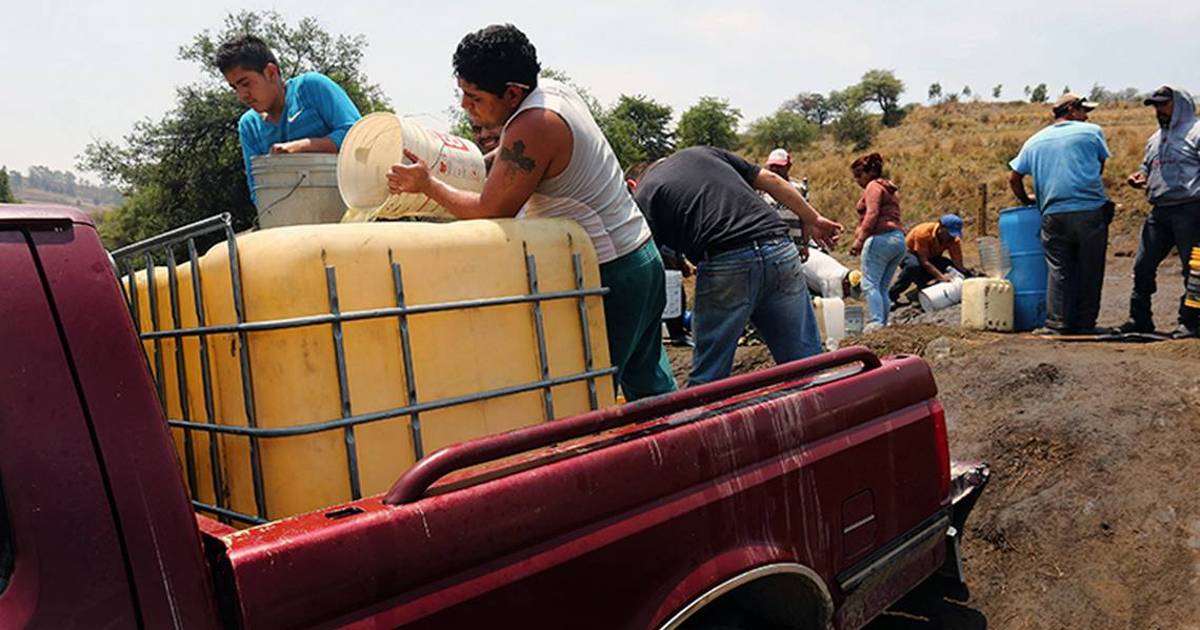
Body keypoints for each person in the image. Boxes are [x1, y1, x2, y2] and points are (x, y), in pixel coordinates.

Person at [385, 24, 675, 401]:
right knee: (650, 389)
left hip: (610, 274)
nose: (465, 106)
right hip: (640, 257)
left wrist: (428, 185)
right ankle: (687, 437)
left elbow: (490, 212)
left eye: (474, 97)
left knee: (585, 397)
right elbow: (513, 154)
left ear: (512, 93)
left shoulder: (536, 124)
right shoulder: (552, 93)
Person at [628, 147, 842, 386]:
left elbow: (645, 259)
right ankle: (821, 404)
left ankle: (704, 409)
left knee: (710, 372)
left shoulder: (646, 192)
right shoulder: (703, 153)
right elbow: (770, 180)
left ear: (631, 185)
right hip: (780, 248)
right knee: (805, 362)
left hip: (727, 261)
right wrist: (813, 218)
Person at [1008, 92, 1113, 335]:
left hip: (1053, 213)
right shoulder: (1092, 132)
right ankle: (1085, 323)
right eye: (1084, 111)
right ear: (1072, 110)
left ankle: (1057, 323)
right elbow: (1099, 166)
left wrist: (1027, 200)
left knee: (1059, 270)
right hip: (1089, 211)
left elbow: (1014, 178)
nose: (1087, 116)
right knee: (1090, 268)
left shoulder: (1034, 141)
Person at [215, 35, 362, 203]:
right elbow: (258, 190)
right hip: (292, 216)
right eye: (235, 88)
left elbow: (358, 138)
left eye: (245, 83)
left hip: (350, 208)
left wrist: (301, 148)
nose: (242, 95)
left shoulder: (311, 87)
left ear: (271, 72)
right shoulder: (249, 126)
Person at [1119, 85, 1200, 339]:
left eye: (1164, 104)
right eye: (1156, 105)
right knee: (1143, 265)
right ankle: (1140, 319)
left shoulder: (1197, 132)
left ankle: (1191, 322)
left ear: (1180, 104)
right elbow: (1147, 166)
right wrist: (1140, 176)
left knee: (1194, 270)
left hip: (1191, 210)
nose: (1158, 110)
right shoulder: (1155, 138)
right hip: (1160, 211)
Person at [848, 153, 905, 331]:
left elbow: (872, 214)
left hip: (881, 239)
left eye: (859, 175)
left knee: (869, 284)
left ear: (869, 173)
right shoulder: (889, 188)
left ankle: (876, 322)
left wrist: (859, 240)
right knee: (882, 286)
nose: (857, 180)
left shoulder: (873, 186)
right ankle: (884, 324)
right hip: (898, 240)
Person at [889, 214, 975, 305]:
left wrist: (966, 275)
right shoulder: (923, 233)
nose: (951, 236)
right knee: (913, 266)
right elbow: (924, 261)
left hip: (931, 257)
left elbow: (957, 263)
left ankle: (923, 286)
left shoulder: (953, 240)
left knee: (948, 265)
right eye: (949, 233)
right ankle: (891, 296)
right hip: (910, 254)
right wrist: (941, 277)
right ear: (941, 227)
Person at [760, 148, 809, 245]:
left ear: (788, 166)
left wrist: (805, 244)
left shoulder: (799, 188)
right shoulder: (761, 189)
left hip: (795, 242)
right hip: (770, 243)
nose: (775, 169)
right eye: (772, 166)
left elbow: (805, 219)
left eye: (779, 166)